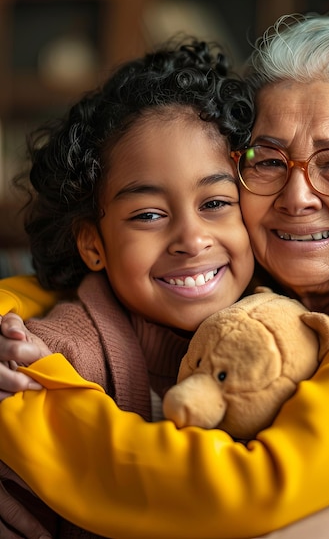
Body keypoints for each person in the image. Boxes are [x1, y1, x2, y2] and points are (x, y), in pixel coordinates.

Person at [0, 13, 329, 539]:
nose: (297, 197)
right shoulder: (262, 278)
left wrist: (28, 417)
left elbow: (253, 488)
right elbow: (55, 294)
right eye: (268, 161)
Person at [0, 38, 256, 539]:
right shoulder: (57, 358)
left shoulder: (291, 324)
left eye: (216, 203)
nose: (191, 238)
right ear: (93, 244)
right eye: (148, 215)